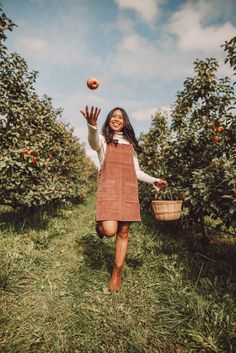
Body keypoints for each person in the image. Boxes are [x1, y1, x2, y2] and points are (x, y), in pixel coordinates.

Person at [80, 105, 168, 292]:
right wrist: (92, 125)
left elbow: (136, 171)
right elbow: (93, 143)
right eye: (113, 116)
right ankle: (100, 228)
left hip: (127, 189)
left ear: (125, 121)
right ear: (109, 121)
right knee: (110, 230)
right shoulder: (103, 140)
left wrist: (155, 180)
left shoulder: (130, 144)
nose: (117, 119)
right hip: (109, 189)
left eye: (120, 117)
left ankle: (117, 272)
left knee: (124, 232)